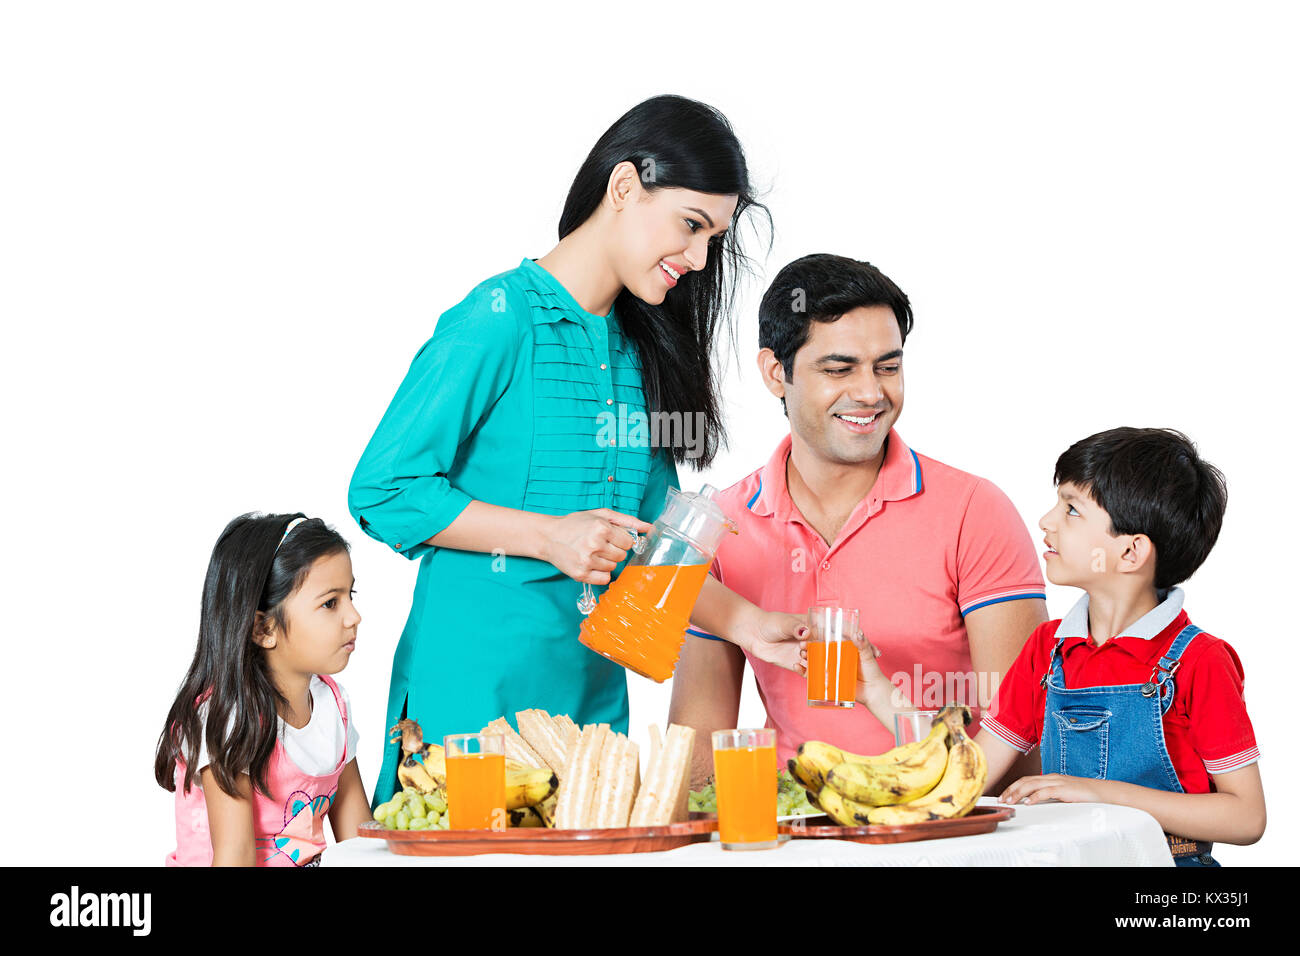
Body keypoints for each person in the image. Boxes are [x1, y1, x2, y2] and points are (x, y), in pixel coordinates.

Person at [348, 94, 804, 809]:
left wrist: (750, 624)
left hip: (589, 721)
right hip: (470, 707)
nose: (699, 257)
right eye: (691, 225)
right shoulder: (497, 320)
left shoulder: (643, 350)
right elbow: (383, 488)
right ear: (624, 187)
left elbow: (654, 555)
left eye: (714, 237)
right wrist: (547, 536)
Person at [670, 254, 1048, 786]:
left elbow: (1022, 730)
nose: (871, 393)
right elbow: (700, 746)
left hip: (946, 822)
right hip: (791, 828)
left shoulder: (974, 512)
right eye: (839, 369)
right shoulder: (720, 526)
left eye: (887, 367)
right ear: (776, 373)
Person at [965, 428, 1262, 865]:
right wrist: (878, 691)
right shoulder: (1047, 650)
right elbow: (973, 774)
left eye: (1071, 510)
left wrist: (1100, 794)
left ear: (1129, 553)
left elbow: (1246, 816)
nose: (1047, 521)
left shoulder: (1200, 661)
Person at [155, 513, 371, 866]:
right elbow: (234, 856)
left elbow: (359, 841)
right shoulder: (227, 719)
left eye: (351, 595)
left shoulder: (333, 704)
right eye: (330, 603)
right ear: (263, 628)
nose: (354, 616)